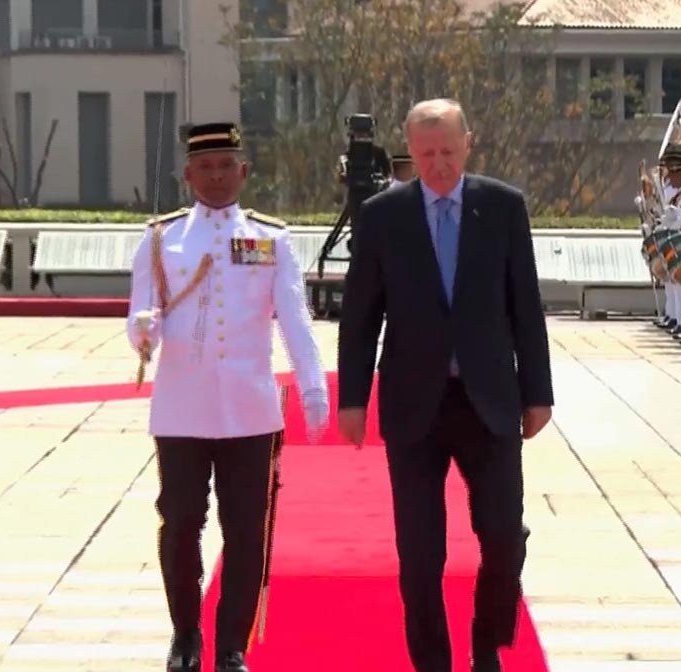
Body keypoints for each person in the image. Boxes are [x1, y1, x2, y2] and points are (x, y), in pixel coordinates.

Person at [336, 98, 554, 672]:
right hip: (415, 404)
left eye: (449, 152)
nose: (438, 164)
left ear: (468, 145)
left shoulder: (503, 209)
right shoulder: (383, 216)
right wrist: (353, 399)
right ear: (410, 150)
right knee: (420, 552)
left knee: (504, 536)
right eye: (427, 153)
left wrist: (539, 392)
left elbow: (525, 306)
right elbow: (361, 314)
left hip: (488, 398)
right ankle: (432, 661)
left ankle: (488, 643)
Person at [126, 122, 329, 672]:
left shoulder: (270, 238)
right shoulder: (161, 237)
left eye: (226, 167)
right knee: (180, 518)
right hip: (182, 406)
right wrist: (142, 329)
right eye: (205, 168)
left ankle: (232, 644)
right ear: (188, 175)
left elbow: (293, 315)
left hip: (248, 406)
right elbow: (141, 320)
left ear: (243, 172)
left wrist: (312, 385)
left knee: (245, 527)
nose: (216, 177)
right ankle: (185, 635)